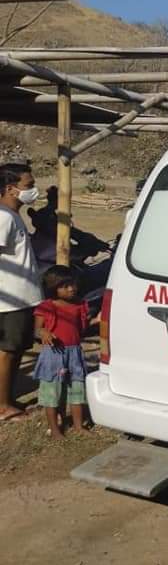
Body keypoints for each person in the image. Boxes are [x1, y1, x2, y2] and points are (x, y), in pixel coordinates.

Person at [0, 164, 43, 422]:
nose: (33, 190)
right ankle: (3, 406)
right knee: (7, 351)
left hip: (23, 298)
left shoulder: (13, 216)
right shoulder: (3, 217)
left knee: (15, 351)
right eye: (29, 185)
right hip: (10, 300)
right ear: (10, 189)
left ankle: (8, 398)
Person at [33, 266, 91, 439]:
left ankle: (78, 426)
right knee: (52, 392)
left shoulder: (80, 304)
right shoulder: (46, 307)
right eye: (65, 286)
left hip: (74, 353)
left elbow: (82, 328)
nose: (71, 288)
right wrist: (43, 332)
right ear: (53, 288)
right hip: (54, 354)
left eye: (73, 284)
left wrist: (94, 320)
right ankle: (55, 429)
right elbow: (37, 330)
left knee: (77, 389)